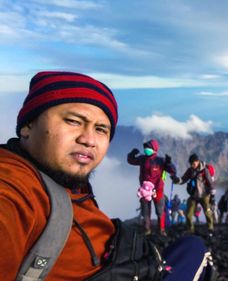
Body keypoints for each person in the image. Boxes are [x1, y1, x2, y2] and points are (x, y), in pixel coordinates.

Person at [0, 71, 214, 280]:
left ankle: (164, 228)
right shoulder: (14, 185)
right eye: (73, 121)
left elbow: (174, 173)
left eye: (101, 129)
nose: (89, 139)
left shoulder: (64, 180)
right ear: (28, 125)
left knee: (191, 246)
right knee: (196, 252)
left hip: (132, 254)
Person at [128, 139, 175, 236]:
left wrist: (169, 163)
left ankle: (161, 230)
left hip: (158, 190)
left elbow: (172, 171)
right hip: (144, 191)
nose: (146, 149)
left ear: (154, 149)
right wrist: (132, 154)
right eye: (145, 147)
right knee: (145, 211)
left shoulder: (160, 161)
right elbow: (130, 161)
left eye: (148, 148)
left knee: (160, 211)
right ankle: (147, 230)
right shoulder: (142, 159)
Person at [171, 153, 215, 234]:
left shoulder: (205, 170)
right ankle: (190, 229)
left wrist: (212, 196)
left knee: (207, 212)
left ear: (198, 161)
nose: (192, 165)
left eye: (193, 163)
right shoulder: (190, 170)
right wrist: (176, 180)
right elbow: (183, 179)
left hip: (204, 195)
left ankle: (210, 228)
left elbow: (210, 183)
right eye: (191, 163)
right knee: (188, 214)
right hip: (194, 196)